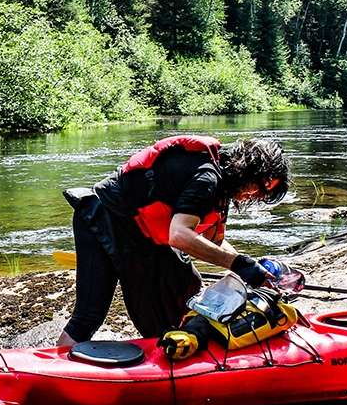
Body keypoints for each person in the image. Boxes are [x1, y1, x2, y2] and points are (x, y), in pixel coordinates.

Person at [57, 135, 290, 347]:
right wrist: (240, 264)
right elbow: (179, 235)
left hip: (142, 231)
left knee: (186, 285)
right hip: (103, 217)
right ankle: (56, 369)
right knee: (91, 314)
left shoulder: (223, 186)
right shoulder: (207, 178)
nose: (257, 195)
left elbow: (215, 242)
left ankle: (178, 349)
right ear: (249, 168)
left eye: (265, 193)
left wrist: (252, 269)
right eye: (263, 186)